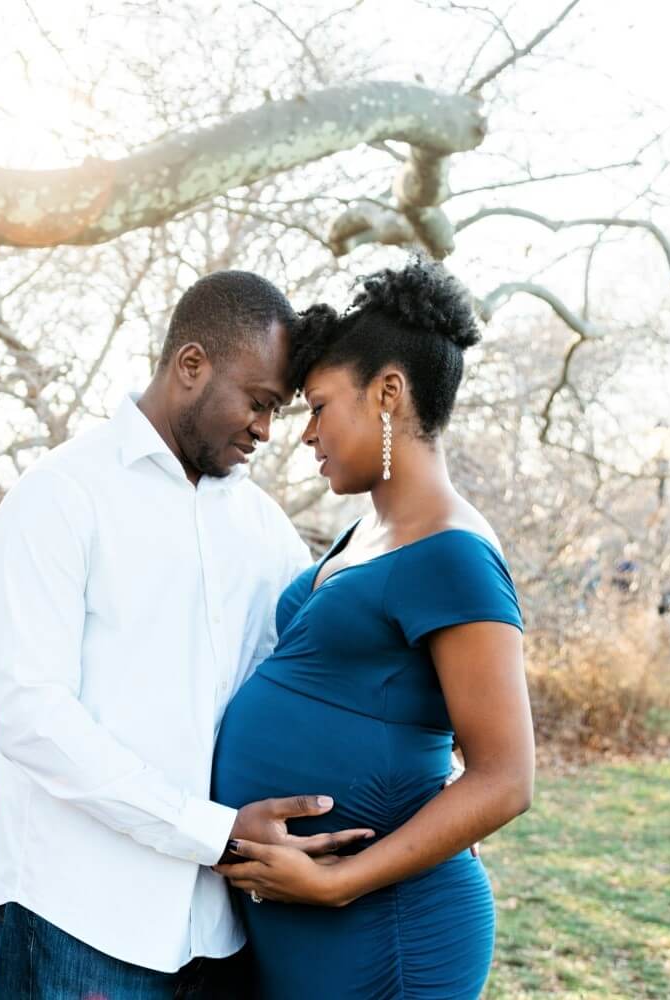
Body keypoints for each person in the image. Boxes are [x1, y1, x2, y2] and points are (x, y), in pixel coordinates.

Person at [0, 271, 372, 999]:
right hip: (81, 919)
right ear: (191, 366)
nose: (265, 430)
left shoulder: (263, 530)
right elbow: (32, 715)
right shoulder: (60, 497)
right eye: (257, 404)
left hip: (223, 932)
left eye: (279, 412)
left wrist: (430, 780)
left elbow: (316, 670)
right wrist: (209, 830)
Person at [211, 258, 535, 999]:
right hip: (303, 922)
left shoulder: (453, 552)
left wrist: (339, 884)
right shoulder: (367, 532)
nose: (306, 434)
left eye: (320, 407)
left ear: (389, 392)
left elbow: (507, 777)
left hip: (386, 925)